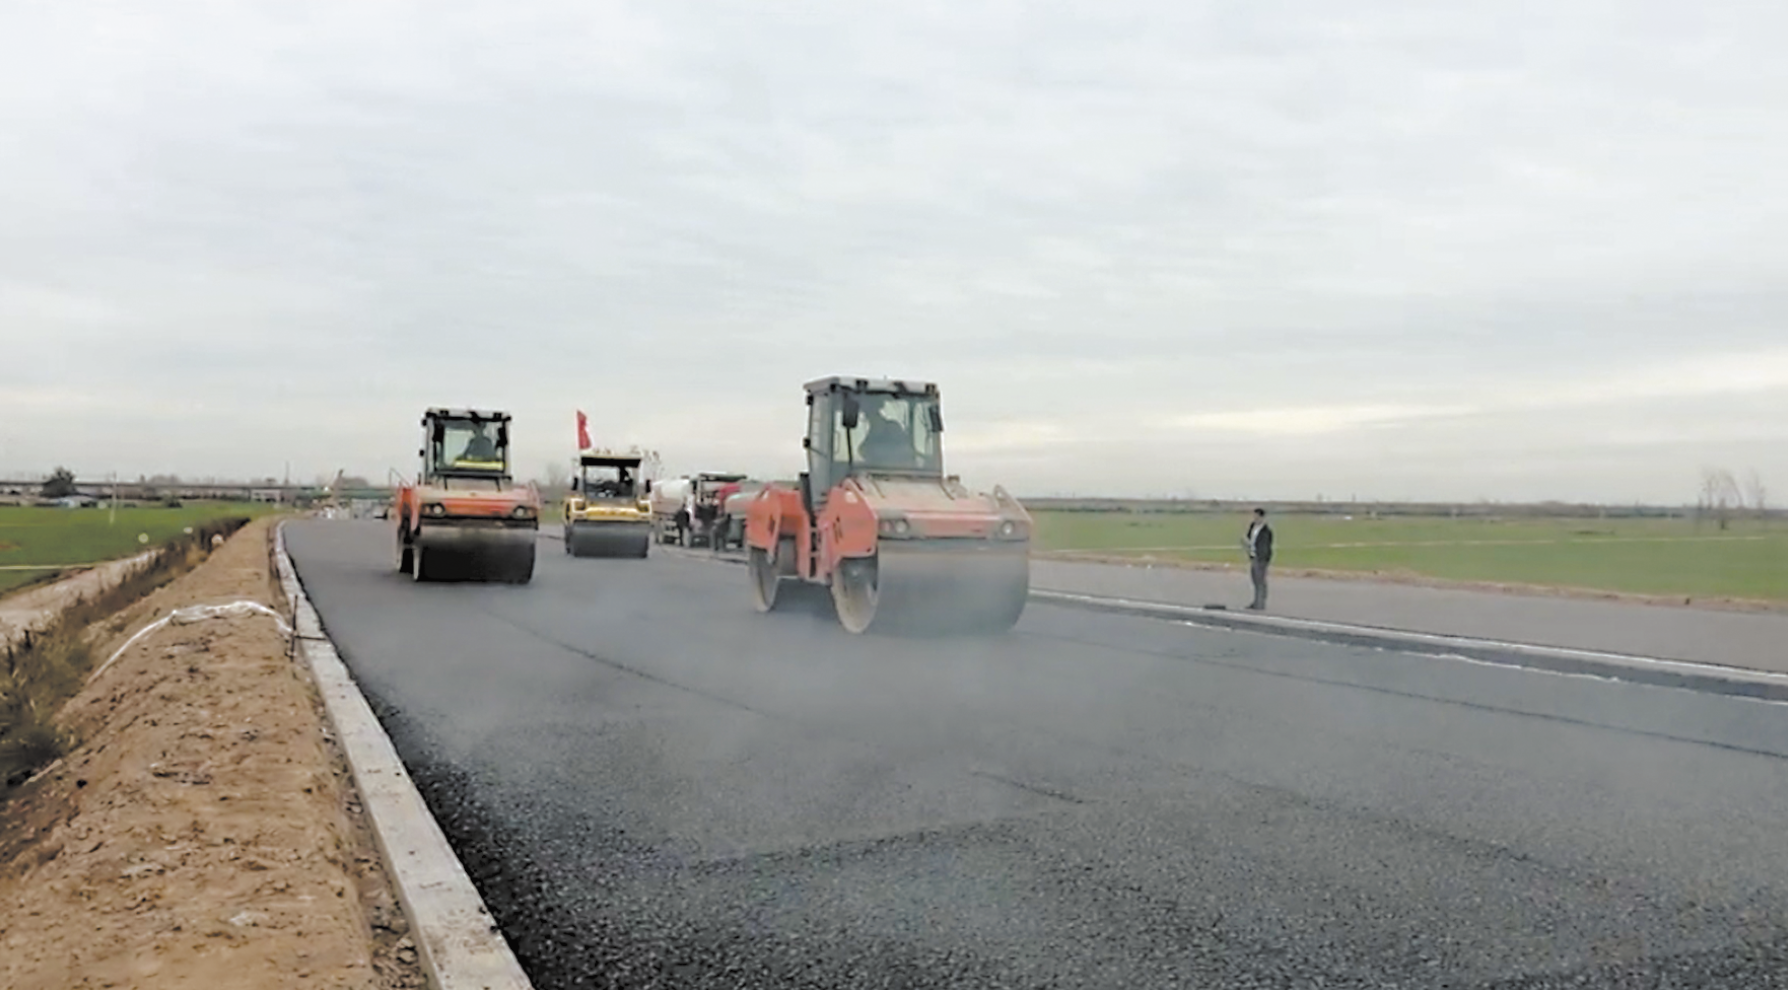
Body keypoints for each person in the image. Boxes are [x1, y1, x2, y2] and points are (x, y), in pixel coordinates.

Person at [1243, 507, 1274, 610]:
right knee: (1255, 580)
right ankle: (1256, 601)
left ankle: (1260, 602)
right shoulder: (1252, 527)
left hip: (1261, 558)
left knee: (1261, 581)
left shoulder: (1266, 531)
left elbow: (1265, 546)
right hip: (1253, 556)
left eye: (1256, 516)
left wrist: (1262, 558)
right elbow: (1249, 538)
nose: (1254, 518)